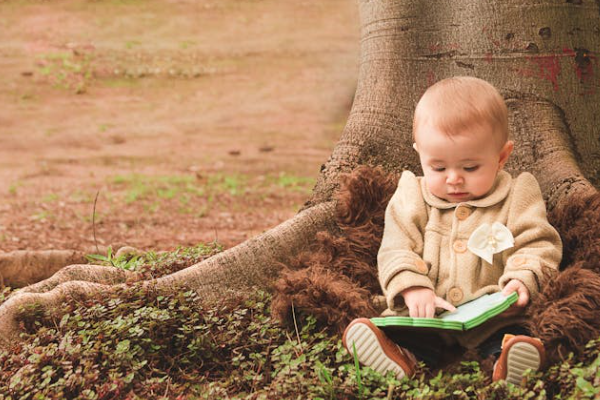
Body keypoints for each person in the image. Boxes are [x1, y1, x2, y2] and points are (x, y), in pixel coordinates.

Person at [342, 76, 562, 385]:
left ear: (501, 157)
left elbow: (537, 242)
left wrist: (522, 277)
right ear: (419, 154)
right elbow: (396, 246)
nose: (454, 179)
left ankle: (506, 362)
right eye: (438, 168)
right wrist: (412, 285)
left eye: (470, 168)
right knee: (404, 331)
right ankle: (401, 357)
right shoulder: (412, 195)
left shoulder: (518, 194)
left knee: (515, 333)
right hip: (427, 317)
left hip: (493, 315)